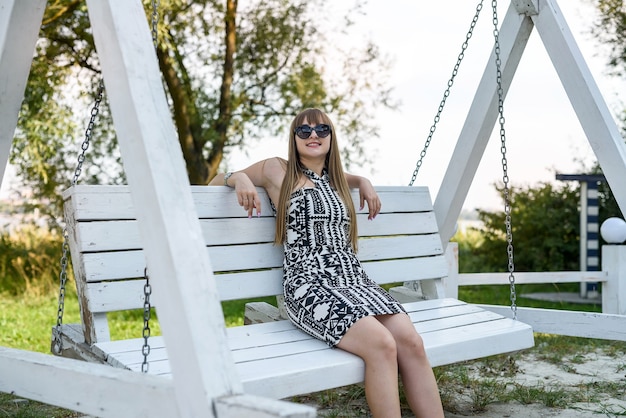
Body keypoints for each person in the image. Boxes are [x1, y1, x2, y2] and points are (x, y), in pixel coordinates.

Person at [210, 108, 444, 418]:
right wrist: (238, 177)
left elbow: (348, 176)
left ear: (331, 138)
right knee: (382, 346)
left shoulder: (334, 178)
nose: (313, 135)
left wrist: (364, 180)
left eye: (321, 129)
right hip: (308, 285)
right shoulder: (276, 170)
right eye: (303, 131)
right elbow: (214, 181)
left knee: (411, 342)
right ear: (293, 139)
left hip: (354, 280)